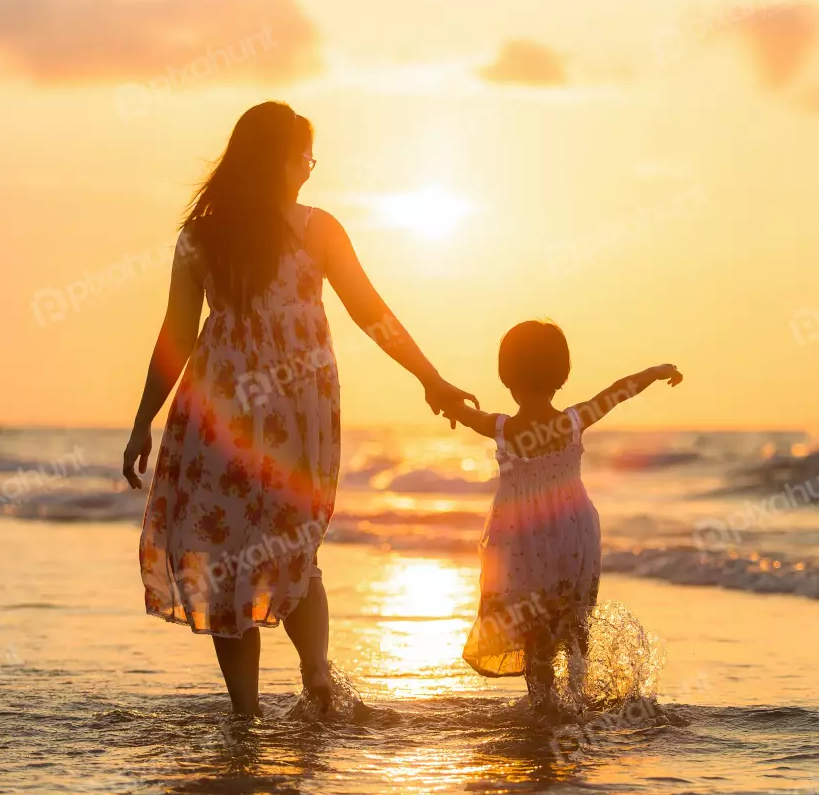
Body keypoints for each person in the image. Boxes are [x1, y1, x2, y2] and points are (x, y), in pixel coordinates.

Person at [121, 101, 477, 717]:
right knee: (291, 545)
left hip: (222, 407)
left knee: (229, 553)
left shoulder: (204, 233)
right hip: (294, 408)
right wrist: (430, 378)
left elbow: (177, 334)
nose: (310, 169)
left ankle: (249, 714)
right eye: (304, 156)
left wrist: (143, 421)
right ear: (278, 160)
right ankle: (316, 686)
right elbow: (371, 312)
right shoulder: (313, 229)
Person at [439, 320, 682, 711]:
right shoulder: (573, 421)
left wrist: (446, 402)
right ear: (562, 374)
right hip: (573, 533)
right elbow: (618, 393)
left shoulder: (501, 426)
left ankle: (544, 706)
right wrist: (655, 373)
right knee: (573, 620)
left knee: (534, 629)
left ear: (506, 376)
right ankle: (578, 700)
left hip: (521, 541)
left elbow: (457, 411)